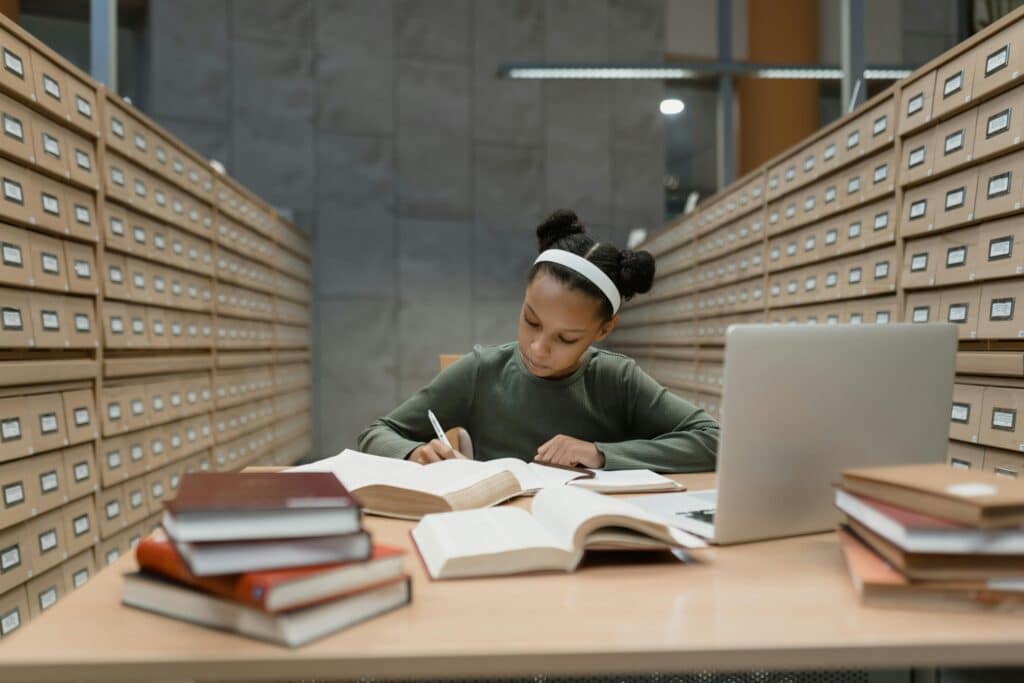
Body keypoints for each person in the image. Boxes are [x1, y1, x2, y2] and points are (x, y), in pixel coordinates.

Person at [357, 209, 720, 472]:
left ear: (603, 331)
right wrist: (413, 454)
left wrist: (601, 454)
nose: (537, 348)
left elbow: (714, 440)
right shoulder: (482, 372)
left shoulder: (618, 380)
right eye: (531, 321)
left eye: (565, 338)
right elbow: (376, 433)